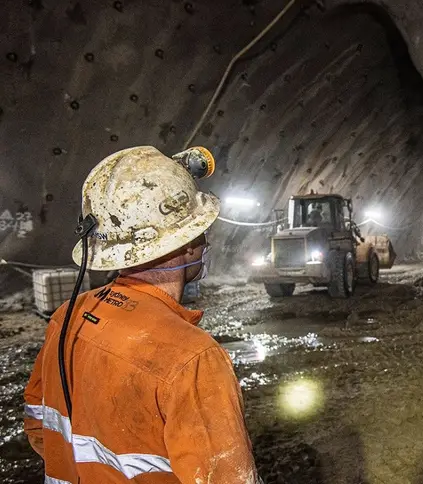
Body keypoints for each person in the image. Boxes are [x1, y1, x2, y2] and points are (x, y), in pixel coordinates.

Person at [23, 146, 261, 483]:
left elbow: (38, 424)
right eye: (201, 231)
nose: (205, 243)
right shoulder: (192, 358)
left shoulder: (66, 316)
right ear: (187, 241)